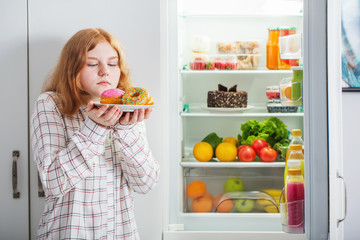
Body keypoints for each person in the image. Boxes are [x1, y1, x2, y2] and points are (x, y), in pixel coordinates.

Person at [30, 28, 160, 240]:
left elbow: (145, 183)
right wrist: (96, 127)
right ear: (72, 69)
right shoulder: (51, 104)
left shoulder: (128, 109)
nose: (105, 72)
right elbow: (54, 184)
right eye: (92, 64)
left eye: (112, 63)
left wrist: (126, 131)